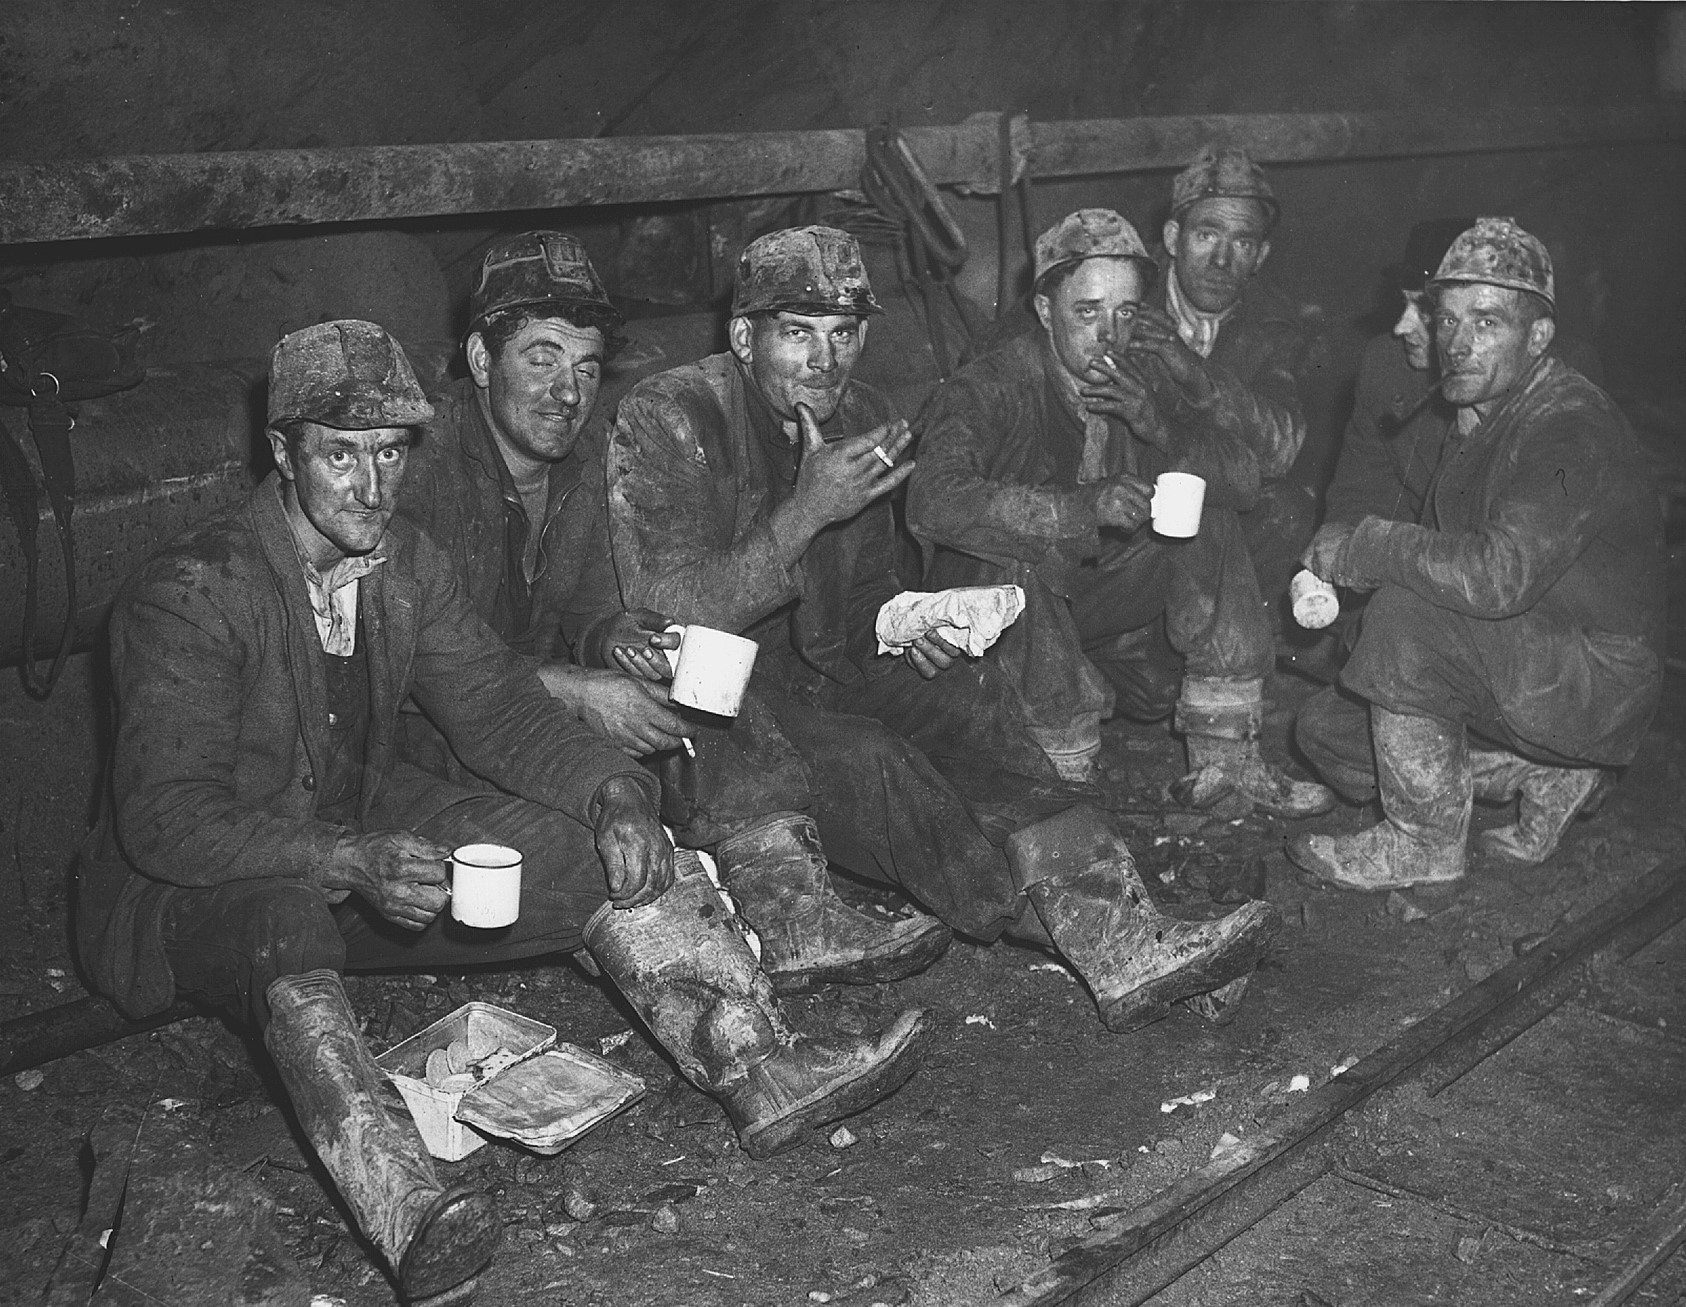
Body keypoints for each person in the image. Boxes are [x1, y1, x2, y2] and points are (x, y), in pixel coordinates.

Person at [75, 321, 933, 1304]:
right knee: (285, 920)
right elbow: (164, 821)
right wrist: (348, 858)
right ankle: (409, 1203)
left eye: (389, 452)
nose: (370, 485)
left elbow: (495, 705)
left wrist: (614, 792)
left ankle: (759, 1060)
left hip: (358, 827)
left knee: (588, 852)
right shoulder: (192, 593)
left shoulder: (404, 563)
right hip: (193, 891)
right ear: (283, 452)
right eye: (339, 454)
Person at [605, 225, 1279, 1035]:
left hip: (825, 677)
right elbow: (666, 609)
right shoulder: (672, 415)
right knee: (877, 761)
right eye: (798, 334)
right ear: (745, 336)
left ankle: (1117, 919)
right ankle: (1067, 930)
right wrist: (806, 511)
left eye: (845, 333)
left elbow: (867, 598)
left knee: (969, 695)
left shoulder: (862, 413)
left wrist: (906, 624)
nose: (827, 361)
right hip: (716, 718)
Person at [397, 230, 949, 995]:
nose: (569, 390)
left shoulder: (586, 460)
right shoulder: (415, 476)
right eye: (543, 356)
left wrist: (618, 637)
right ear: (484, 361)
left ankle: (788, 907)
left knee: (693, 681)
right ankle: (768, 917)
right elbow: (415, 668)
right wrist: (574, 686)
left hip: (529, 715)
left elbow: (594, 606)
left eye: (587, 365)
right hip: (429, 739)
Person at [908, 208, 1335, 818]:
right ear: (1047, 311)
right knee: (1013, 557)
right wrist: (1080, 507)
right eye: (1088, 312)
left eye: (1126, 312)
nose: (1110, 335)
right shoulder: (992, 383)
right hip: (1001, 616)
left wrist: (1158, 423)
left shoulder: (1138, 369)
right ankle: (1060, 785)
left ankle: (1227, 765)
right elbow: (932, 501)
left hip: (1098, 599)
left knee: (1207, 513)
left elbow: (1245, 482)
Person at [1288, 219, 1665, 890]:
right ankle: (1548, 774)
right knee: (1329, 731)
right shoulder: (1483, 413)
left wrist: (1370, 545)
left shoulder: (1569, 424)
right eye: (1448, 321)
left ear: (1539, 337)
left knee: (1404, 616)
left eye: (1487, 323)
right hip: (1529, 656)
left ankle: (1423, 843)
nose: (1458, 344)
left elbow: (1498, 574)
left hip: (1591, 673)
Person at [1153, 144, 1320, 611]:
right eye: (1207, 234)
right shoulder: (1124, 293)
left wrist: (1199, 378)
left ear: (1261, 255)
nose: (1222, 260)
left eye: (1242, 243)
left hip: (1219, 495)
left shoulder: (1278, 327)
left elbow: (1282, 446)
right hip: (1135, 493)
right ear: (1172, 238)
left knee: (1288, 511)